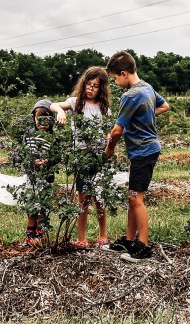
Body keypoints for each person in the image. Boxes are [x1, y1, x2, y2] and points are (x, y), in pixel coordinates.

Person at [102, 50, 169, 262]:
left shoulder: (130, 95)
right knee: (133, 197)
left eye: (114, 78)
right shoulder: (147, 88)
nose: (115, 83)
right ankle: (129, 240)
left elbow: (116, 131)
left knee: (135, 199)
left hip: (143, 151)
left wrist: (110, 148)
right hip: (146, 150)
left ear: (123, 73)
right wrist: (143, 116)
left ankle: (143, 246)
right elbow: (164, 106)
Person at [50, 66, 112, 248]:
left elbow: (108, 132)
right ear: (83, 84)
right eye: (89, 84)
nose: (91, 88)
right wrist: (60, 111)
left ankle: (103, 237)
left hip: (99, 156)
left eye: (95, 86)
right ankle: (82, 239)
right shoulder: (75, 102)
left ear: (101, 89)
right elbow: (51, 105)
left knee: (100, 198)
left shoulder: (104, 108)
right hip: (81, 156)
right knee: (83, 198)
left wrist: (109, 143)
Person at [21, 98, 57, 248]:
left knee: (43, 207)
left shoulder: (53, 138)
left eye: (44, 119)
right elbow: (24, 154)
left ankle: (40, 236)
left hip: (46, 179)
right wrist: (31, 164)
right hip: (31, 178)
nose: (40, 123)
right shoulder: (28, 135)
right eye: (37, 119)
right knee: (31, 207)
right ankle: (29, 236)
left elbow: (57, 156)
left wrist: (47, 162)